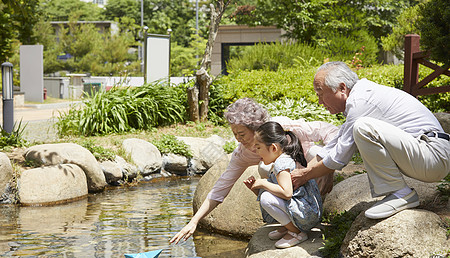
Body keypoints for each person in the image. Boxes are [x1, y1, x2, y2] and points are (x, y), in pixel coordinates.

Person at [292, 61, 450, 219]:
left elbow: (339, 157)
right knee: (360, 127)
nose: (320, 102)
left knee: (363, 127)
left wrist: (304, 176)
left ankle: (400, 194)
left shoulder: (361, 101)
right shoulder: (361, 97)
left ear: (342, 88)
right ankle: (397, 192)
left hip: (432, 154)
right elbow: (333, 147)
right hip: (427, 154)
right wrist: (300, 173)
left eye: (320, 94)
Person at [170, 98, 338, 244]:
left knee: (313, 153)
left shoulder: (280, 128)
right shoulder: (243, 153)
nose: (238, 138)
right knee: (264, 168)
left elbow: (332, 131)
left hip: (309, 183)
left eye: (241, 133)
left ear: (257, 128)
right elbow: (220, 188)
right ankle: (288, 224)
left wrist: (325, 168)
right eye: (234, 133)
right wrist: (194, 221)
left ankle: (298, 227)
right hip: (289, 188)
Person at [244, 121, 322, 248]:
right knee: (267, 191)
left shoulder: (282, 163)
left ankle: (297, 232)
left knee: (266, 197)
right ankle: (288, 226)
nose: (256, 151)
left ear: (273, 148)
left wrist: (263, 183)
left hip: (307, 214)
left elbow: (287, 193)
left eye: (258, 147)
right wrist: (256, 187)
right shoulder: (282, 159)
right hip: (306, 210)